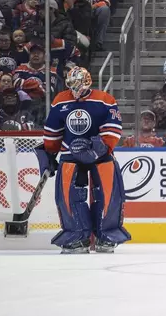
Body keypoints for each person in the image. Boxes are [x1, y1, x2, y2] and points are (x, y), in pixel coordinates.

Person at [37, 66, 130, 254]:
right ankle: (77, 236)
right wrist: (49, 153)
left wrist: (98, 149)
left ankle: (107, 235)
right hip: (70, 153)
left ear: (87, 82)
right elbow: (53, 131)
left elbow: (113, 129)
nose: (74, 88)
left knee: (108, 193)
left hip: (100, 154)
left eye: (78, 84)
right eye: (71, 84)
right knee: (68, 195)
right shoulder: (60, 100)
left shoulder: (104, 99)